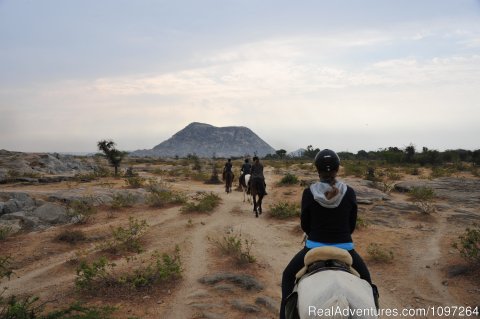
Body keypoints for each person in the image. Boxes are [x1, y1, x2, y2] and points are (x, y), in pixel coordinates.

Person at [279, 149, 378, 319]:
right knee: (368, 283)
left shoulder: (309, 193)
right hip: (346, 249)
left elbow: (305, 225)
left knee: (288, 276)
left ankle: (284, 316)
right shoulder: (349, 192)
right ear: (337, 169)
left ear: (317, 170)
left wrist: (316, 235)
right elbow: (351, 225)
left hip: (313, 247)